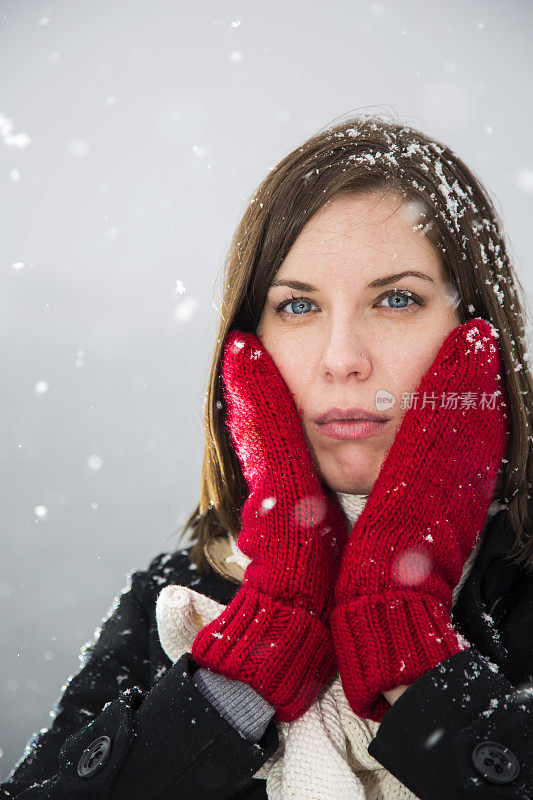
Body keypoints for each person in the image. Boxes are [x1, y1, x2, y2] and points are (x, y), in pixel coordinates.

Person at [3, 112, 533, 800]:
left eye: (396, 299)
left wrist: (405, 638)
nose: (342, 359)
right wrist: (245, 667)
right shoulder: (178, 596)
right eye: (297, 307)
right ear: (247, 349)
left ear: (474, 335)